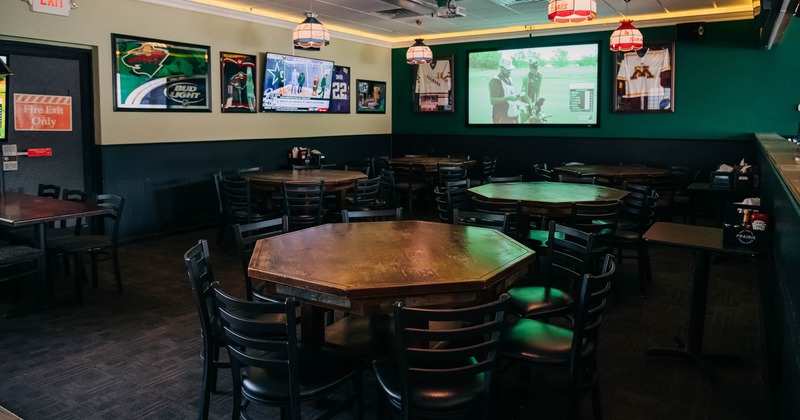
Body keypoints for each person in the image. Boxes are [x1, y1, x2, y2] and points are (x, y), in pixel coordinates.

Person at [489, 57, 521, 124]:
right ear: (501, 68)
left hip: (512, 115)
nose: (509, 71)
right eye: (507, 69)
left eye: (510, 69)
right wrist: (508, 98)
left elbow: (510, 96)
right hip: (501, 117)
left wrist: (517, 106)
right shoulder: (495, 81)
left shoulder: (510, 79)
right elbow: (492, 101)